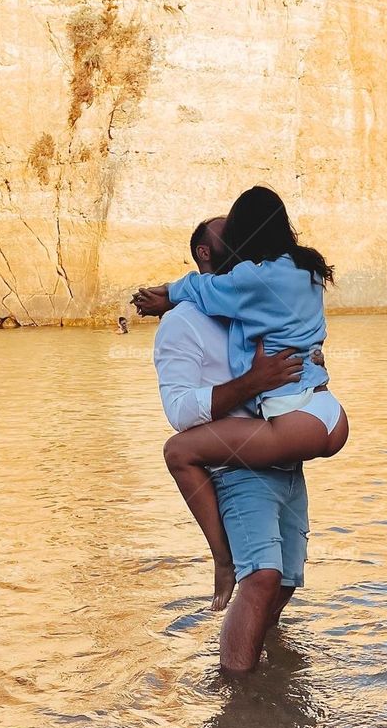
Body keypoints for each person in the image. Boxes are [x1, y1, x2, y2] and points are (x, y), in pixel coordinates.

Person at [133, 187, 349, 668]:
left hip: (287, 452)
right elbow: (181, 410)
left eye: (239, 229)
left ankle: (262, 694)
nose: (239, 242)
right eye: (227, 234)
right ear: (208, 252)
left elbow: (290, 338)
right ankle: (238, 698)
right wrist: (253, 381)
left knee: (288, 578)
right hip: (241, 462)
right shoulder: (185, 322)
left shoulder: (249, 299)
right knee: (263, 577)